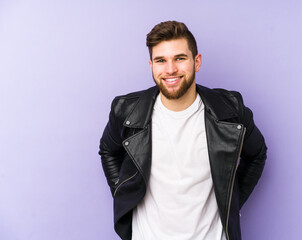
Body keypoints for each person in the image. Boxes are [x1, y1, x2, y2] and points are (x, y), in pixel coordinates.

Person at [99, 21, 267, 240]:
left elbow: (257, 155)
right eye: (161, 60)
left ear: (196, 62)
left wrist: (229, 202)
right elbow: (108, 150)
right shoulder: (127, 112)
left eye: (180, 58)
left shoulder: (230, 110)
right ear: (151, 65)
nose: (170, 69)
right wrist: (124, 192)